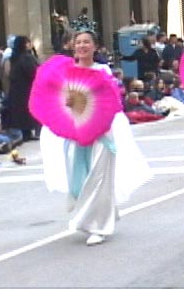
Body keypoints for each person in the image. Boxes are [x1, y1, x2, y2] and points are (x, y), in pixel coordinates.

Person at [39, 28, 152, 246]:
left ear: (95, 47)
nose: (82, 46)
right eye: (78, 42)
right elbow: (57, 99)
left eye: (86, 42)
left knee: (98, 178)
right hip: (76, 131)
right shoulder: (67, 72)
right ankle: (101, 213)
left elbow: (110, 100)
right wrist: (67, 103)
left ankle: (99, 227)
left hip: (101, 131)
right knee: (79, 177)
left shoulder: (102, 71)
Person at [7, 36, 40, 141]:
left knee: (22, 113)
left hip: (18, 90)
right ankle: (29, 132)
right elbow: (34, 72)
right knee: (28, 112)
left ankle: (26, 133)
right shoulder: (26, 57)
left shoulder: (15, 57)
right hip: (27, 89)